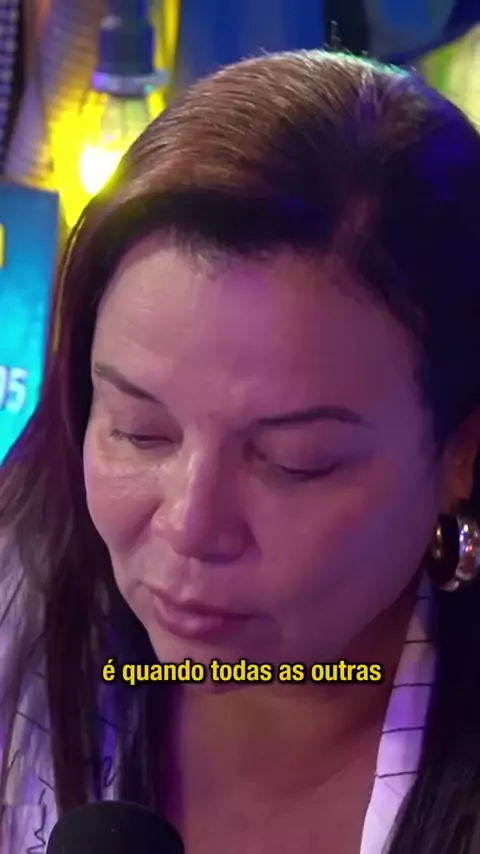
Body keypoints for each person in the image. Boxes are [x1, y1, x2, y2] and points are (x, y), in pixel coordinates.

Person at [1, 48, 480, 854]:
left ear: (461, 451)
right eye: (140, 431)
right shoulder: (21, 606)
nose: (191, 526)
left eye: (295, 461)